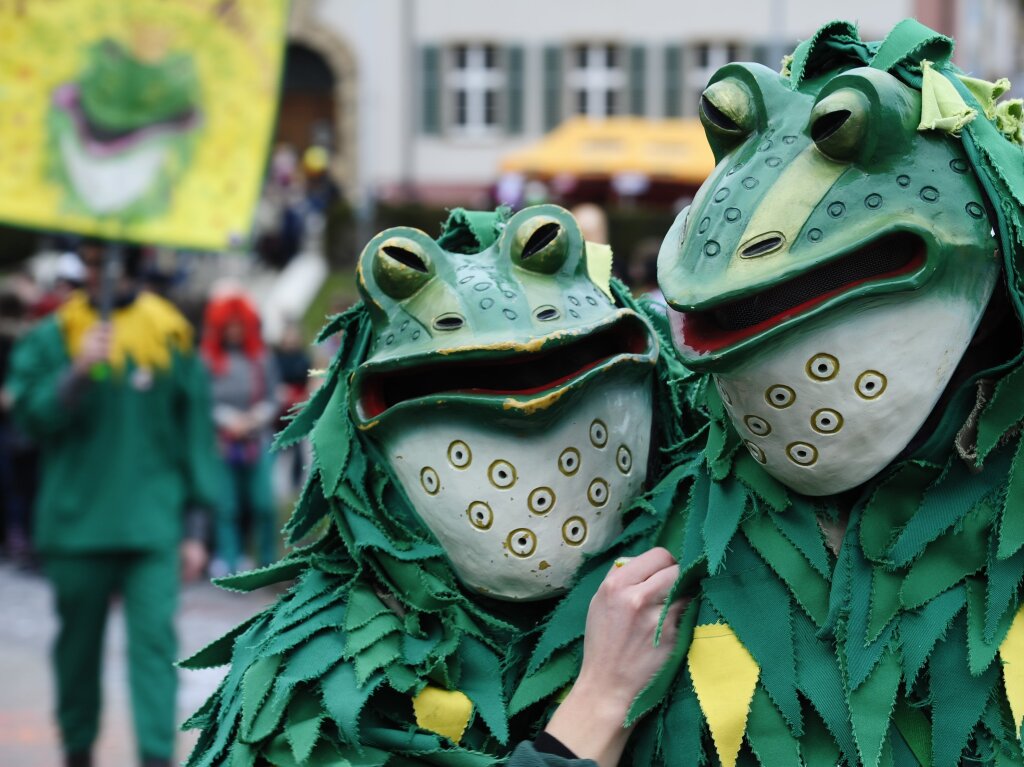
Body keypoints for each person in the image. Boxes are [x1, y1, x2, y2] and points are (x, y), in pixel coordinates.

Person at [5, 242, 220, 767]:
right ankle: (77, 752)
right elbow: (27, 421)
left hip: (151, 527)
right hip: (76, 526)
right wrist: (75, 375)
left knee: (152, 650)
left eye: (111, 262)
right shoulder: (55, 334)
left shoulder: (170, 334)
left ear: (135, 265)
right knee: (76, 655)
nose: (101, 273)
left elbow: (193, 435)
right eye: (93, 262)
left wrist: (196, 527)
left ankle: (155, 758)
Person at [200, 291, 280, 575]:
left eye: (238, 325)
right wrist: (227, 420)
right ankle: (230, 562)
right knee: (227, 507)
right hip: (221, 442)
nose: (234, 331)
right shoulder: (207, 359)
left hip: (256, 440)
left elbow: (273, 397)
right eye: (228, 325)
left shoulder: (260, 357)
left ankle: (268, 563)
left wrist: (254, 418)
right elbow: (202, 401)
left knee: (264, 504)